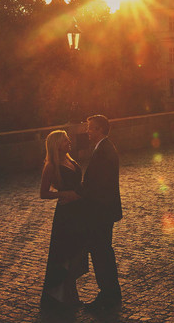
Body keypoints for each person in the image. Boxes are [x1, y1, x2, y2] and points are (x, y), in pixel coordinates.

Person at [64, 114, 122, 311]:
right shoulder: (104, 148)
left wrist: (76, 194)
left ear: (100, 130)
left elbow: (97, 184)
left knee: (101, 253)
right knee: (103, 252)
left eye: (90, 128)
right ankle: (111, 293)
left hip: (101, 211)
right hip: (104, 210)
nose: (87, 131)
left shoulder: (104, 150)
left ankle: (108, 296)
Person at [39, 130, 88, 310]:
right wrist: (64, 194)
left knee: (78, 251)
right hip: (66, 213)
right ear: (56, 144)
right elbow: (43, 193)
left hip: (79, 210)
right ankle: (64, 296)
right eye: (65, 140)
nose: (69, 142)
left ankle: (70, 293)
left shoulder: (70, 159)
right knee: (66, 253)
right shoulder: (51, 166)